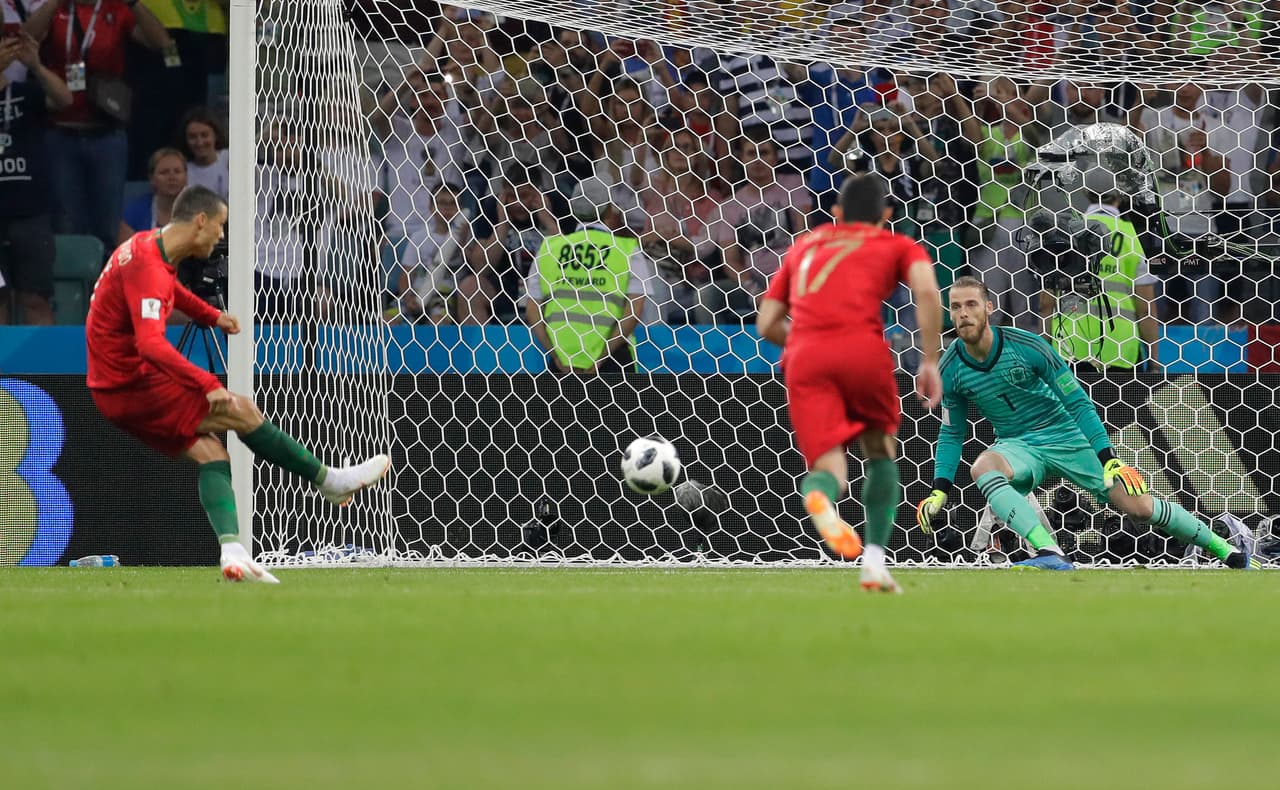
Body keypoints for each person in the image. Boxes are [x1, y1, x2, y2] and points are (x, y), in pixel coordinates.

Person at [85, 185, 390, 583]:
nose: (222, 236)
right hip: (131, 385)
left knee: (213, 456)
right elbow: (150, 344)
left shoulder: (147, 245)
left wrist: (211, 315)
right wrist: (205, 382)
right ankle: (330, 481)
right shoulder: (147, 264)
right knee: (240, 409)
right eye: (221, 225)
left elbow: (169, 291)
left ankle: (233, 552)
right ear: (200, 221)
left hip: (113, 386)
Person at [915, 276, 1258, 570]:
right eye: (956, 307)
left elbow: (1077, 401)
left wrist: (1108, 457)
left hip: (1066, 435)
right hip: (1019, 447)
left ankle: (1225, 550)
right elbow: (951, 431)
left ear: (989, 307)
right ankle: (1049, 551)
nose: (963, 314)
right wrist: (938, 490)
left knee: (1139, 506)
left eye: (971, 304)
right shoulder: (950, 367)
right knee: (984, 467)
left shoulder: (1029, 345)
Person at [756, 174, 943, 594]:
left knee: (828, 465)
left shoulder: (806, 243)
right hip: (861, 349)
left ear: (837, 214)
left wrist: (806, 343)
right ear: (887, 216)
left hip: (805, 356)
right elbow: (927, 294)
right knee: (880, 450)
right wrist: (929, 360)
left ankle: (821, 496)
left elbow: (766, 322)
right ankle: (874, 562)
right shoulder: (896, 243)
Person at [525, 176, 654, 374]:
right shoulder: (626, 249)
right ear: (610, 210)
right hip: (612, 359)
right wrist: (602, 357)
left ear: (573, 210)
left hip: (563, 361)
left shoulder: (550, 248)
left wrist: (555, 355)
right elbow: (635, 309)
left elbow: (532, 309)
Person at [0, 28, 71, 325]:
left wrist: (36, 66)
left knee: (36, 299)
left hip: (31, 214)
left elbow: (64, 99)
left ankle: (45, 370)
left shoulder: (26, 93)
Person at [119, 147, 187, 242]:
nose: (172, 177)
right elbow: (125, 254)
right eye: (164, 172)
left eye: (177, 171)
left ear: (186, 177)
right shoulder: (134, 211)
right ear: (152, 179)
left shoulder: (200, 211)